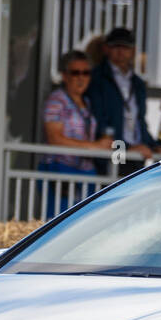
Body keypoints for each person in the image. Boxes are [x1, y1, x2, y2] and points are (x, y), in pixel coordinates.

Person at [42, 49, 114, 216]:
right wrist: (94, 146)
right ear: (64, 76)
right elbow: (55, 138)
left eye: (86, 73)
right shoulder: (56, 100)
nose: (81, 77)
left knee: (86, 221)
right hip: (61, 170)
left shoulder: (87, 102)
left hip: (86, 172)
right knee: (60, 223)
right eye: (75, 73)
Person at [86, 27, 155, 172]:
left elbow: (140, 121)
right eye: (116, 46)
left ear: (133, 50)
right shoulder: (96, 78)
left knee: (132, 191)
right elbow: (98, 122)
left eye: (125, 47)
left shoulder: (137, 83)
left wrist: (156, 146)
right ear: (106, 48)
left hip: (136, 155)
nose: (120, 51)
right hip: (111, 153)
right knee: (112, 189)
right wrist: (127, 147)